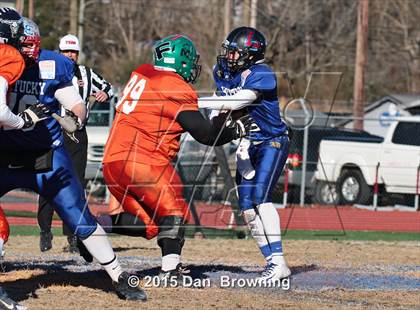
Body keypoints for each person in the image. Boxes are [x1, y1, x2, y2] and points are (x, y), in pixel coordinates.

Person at [0, 15, 146, 301]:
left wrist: (75, 117)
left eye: (33, 45)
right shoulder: (7, 60)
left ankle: (119, 276)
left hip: (46, 154)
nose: (30, 52)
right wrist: (20, 122)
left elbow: (76, 104)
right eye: (25, 45)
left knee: (79, 216)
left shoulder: (52, 64)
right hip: (4, 153)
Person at [97, 34, 256, 281]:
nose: (193, 66)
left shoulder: (143, 72)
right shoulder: (173, 86)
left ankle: (91, 227)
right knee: (175, 207)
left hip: (112, 161)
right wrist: (236, 129)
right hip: (141, 160)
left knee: (150, 224)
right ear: (180, 61)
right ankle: (170, 270)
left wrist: (223, 120)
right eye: (190, 61)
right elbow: (204, 134)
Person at [198, 26, 291, 283]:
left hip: (271, 141)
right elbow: (220, 100)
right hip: (247, 143)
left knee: (261, 198)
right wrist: (214, 118)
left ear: (250, 54)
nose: (228, 57)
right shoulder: (225, 72)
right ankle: (273, 263)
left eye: (234, 52)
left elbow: (238, 101)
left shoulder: (262, 73)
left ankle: (280, 260)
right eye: (228, 52)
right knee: (247, 207)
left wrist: (192, 102)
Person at [37, 34, 114, 253]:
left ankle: (72, 235)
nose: (70, 55)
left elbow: (107, 87)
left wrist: (103, 94)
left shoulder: (85, 73)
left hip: (77, 134)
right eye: (66, 51)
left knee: (75, 184)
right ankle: (45, 230)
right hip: (52, 133)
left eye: (73, 52)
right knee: (47, 179)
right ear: (59, 52)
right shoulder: (48, 70)